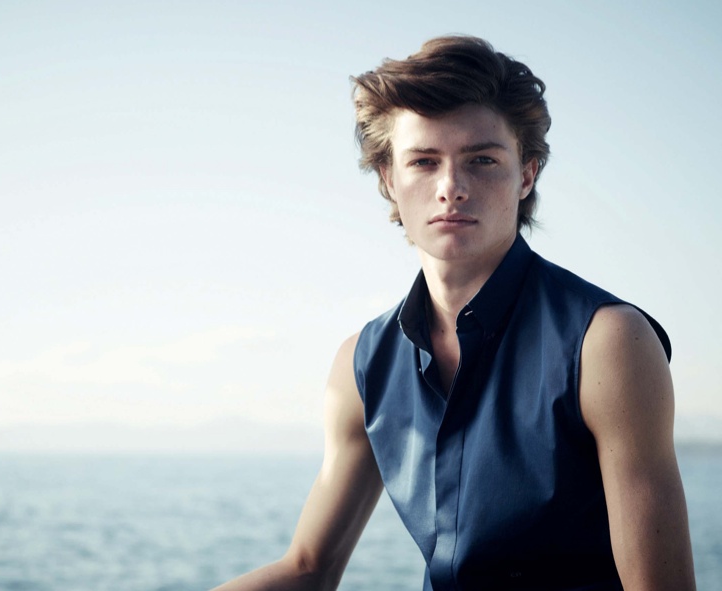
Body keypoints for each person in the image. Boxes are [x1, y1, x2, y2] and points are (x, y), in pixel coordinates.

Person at [211, 35, 695, 591]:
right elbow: (308, 568)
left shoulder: (608, 342)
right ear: (389, 180)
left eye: (482, 160)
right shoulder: (362, 364)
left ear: (527, 175)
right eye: (423, 162)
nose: (451, 188)